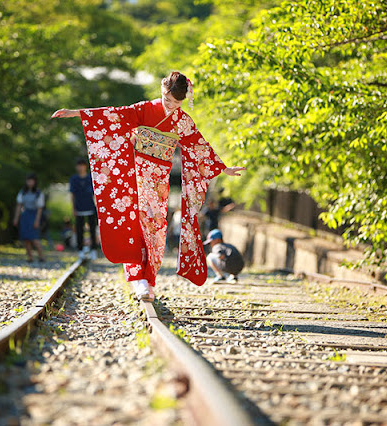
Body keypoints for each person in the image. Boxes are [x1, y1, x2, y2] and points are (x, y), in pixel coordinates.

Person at [52, 71, 245, 301]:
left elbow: (200, 147)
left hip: (159, 181)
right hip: (136, 174)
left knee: (155, 229)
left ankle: (148, 280)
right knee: (135, 225)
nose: (170, 105)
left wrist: (224, 168)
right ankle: (138, 280)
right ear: (162, 91)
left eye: (175, 102)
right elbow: (114, 114)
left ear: (183, 100)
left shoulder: (182, 122)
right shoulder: (144, 109)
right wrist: (77, 113)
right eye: (166, 98)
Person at [69, 158, 98, 260]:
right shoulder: (74, 179)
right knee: (79, 231)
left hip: (90, 207)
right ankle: (80, 250)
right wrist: (73, 208)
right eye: (79, 165)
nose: (80, 167)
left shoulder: (91, 178)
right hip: (79, 208)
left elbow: (96, 194)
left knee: (92, 230)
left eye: (82, 165)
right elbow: (72, 195)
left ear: (85, 166)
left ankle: (94, 250)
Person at [13, 173, 45, 262]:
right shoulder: (23, 192)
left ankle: (41, 256)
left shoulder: (38, 193)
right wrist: (16, 218)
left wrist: (37, 220)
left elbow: (40, 208)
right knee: (25, 238)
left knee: (34, 238)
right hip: (25, 215)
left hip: (34, 215)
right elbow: (19, 205)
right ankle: (30, 257)